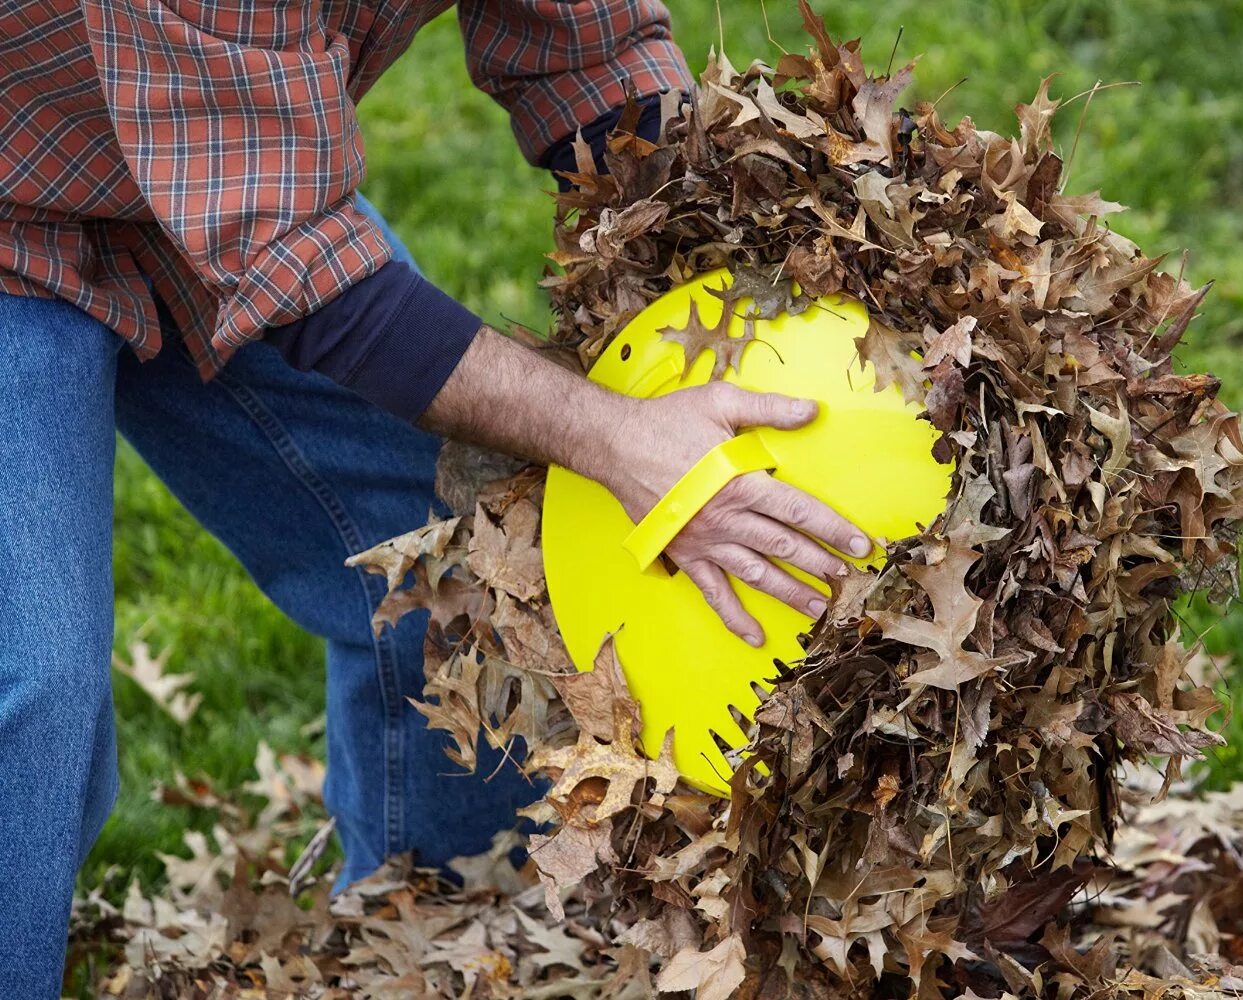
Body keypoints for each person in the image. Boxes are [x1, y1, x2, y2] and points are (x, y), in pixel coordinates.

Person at [0, 2, 870, 994]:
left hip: (217, 162)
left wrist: (743, 242)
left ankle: (421, 950)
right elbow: (317, 286)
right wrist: (619, 439)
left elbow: (586, 47)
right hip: (21, 194)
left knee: (447, 559)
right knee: (31, 688)